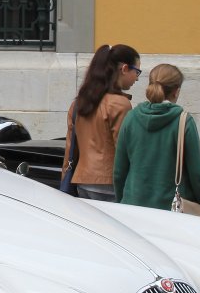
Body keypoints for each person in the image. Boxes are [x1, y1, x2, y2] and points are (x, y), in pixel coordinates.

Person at [113, 63, 200, 214]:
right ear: (176, 91)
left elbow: (119, 171)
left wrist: (122, 200)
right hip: (170, 211)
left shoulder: (131, 117)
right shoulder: (184, 122)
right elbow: (197, 174)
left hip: (132, 206)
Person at [60, 43, 141, 201]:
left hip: (82, 181)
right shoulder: (119, 104)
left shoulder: (79, 103)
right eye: (137, 71)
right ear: (124, 68)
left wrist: (65, 178)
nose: (137, 78)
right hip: (110, 183)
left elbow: (70, 147)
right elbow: (124, 150)